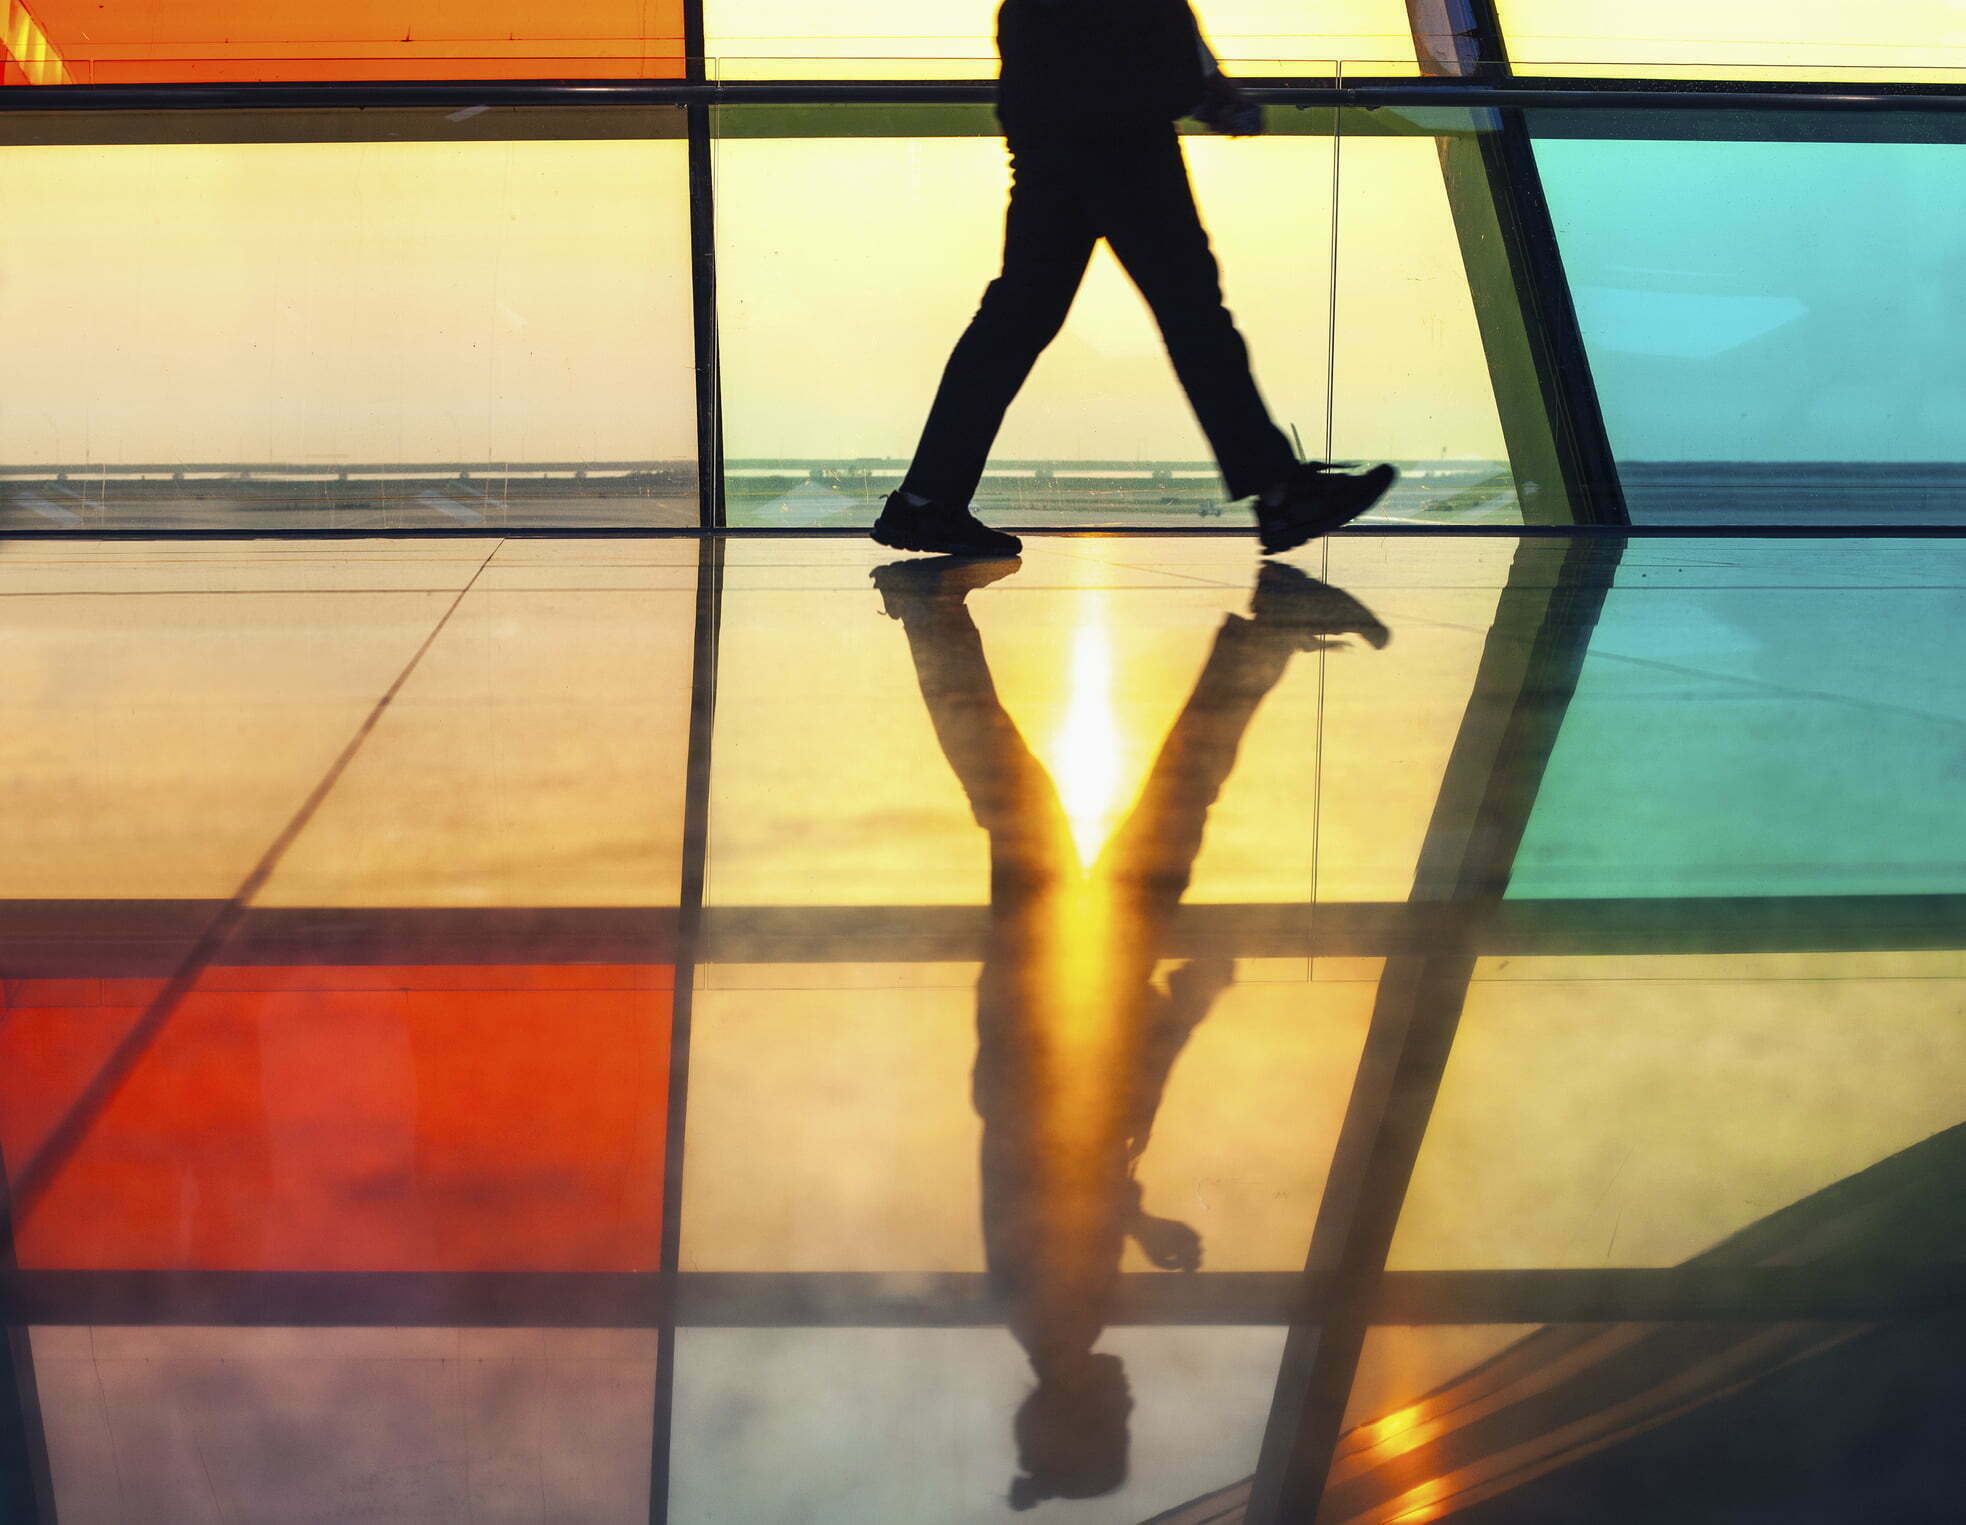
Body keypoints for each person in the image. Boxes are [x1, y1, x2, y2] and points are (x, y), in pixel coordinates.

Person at [872, 553, 1392, 1506]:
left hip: (1061, 1023)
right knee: (1063, 805)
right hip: (1042, 1028)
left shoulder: (1062, 1317)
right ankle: (934, 618)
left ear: (1079, 1419)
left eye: (1118, 1423)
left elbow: (1075, 1148)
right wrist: (1140, 1216)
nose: (1134, 1405)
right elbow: (1078, 1174)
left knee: (1115, 809)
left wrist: (1182, 1013)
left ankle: (1261, 630)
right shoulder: (1050, 1321)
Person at [872, 0, 1397, 559]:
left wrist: (1198, 85)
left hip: (1061, 147)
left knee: (1015, 326)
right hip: (1124, 148)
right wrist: (1205, 91)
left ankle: (927, 500)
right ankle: (1280, 491)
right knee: (1192, 316)